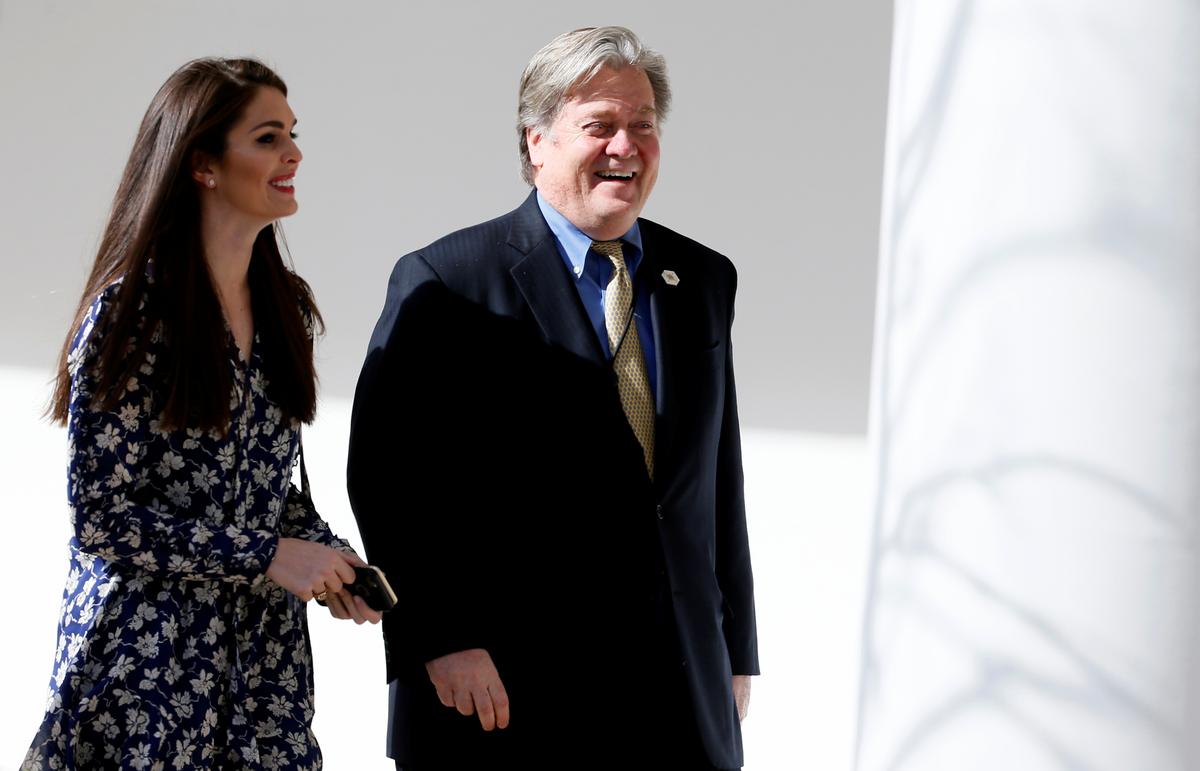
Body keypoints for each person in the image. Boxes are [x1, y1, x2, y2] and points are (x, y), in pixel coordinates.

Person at [347, 26, 758, 770]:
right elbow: (388, 479)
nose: (625, 146)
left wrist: (734, 646)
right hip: (506, 698)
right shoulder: (448, 283)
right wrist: (441, 636)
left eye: (642, 125)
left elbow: (713, 479)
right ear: (536, 142)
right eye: (599, 125)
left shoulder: (700, 278)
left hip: (679, 696)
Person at [22, 57, 381, 771]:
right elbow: (104, 515)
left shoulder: (287, 307)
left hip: (260, 669)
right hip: (146, 667)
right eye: (268, 137)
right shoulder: (133, 316)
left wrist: (329, 557)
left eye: (292, 134)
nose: (294, 153)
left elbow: (261, 488)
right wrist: (269, 555)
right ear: (203, 165)